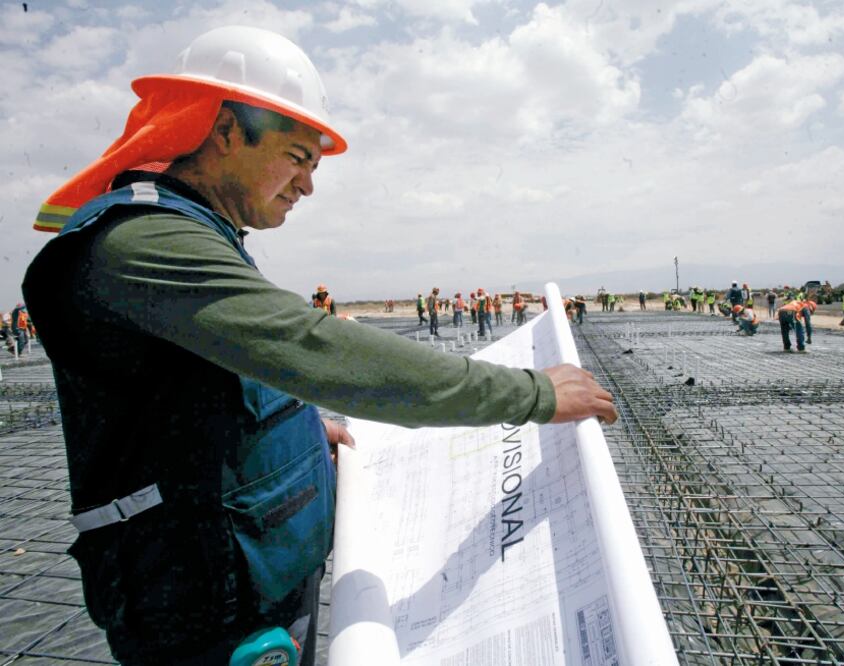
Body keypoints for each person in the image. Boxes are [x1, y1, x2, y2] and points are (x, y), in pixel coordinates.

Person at [21, 26, 617, 666]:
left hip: (249, 580)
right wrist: (531, 393)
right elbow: (314, 349)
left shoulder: (198, 229)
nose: (308, 184)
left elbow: (218, 379)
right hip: (199, 611)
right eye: (299, 155)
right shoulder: (140, 242)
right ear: (225, 130)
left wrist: (300, 432)